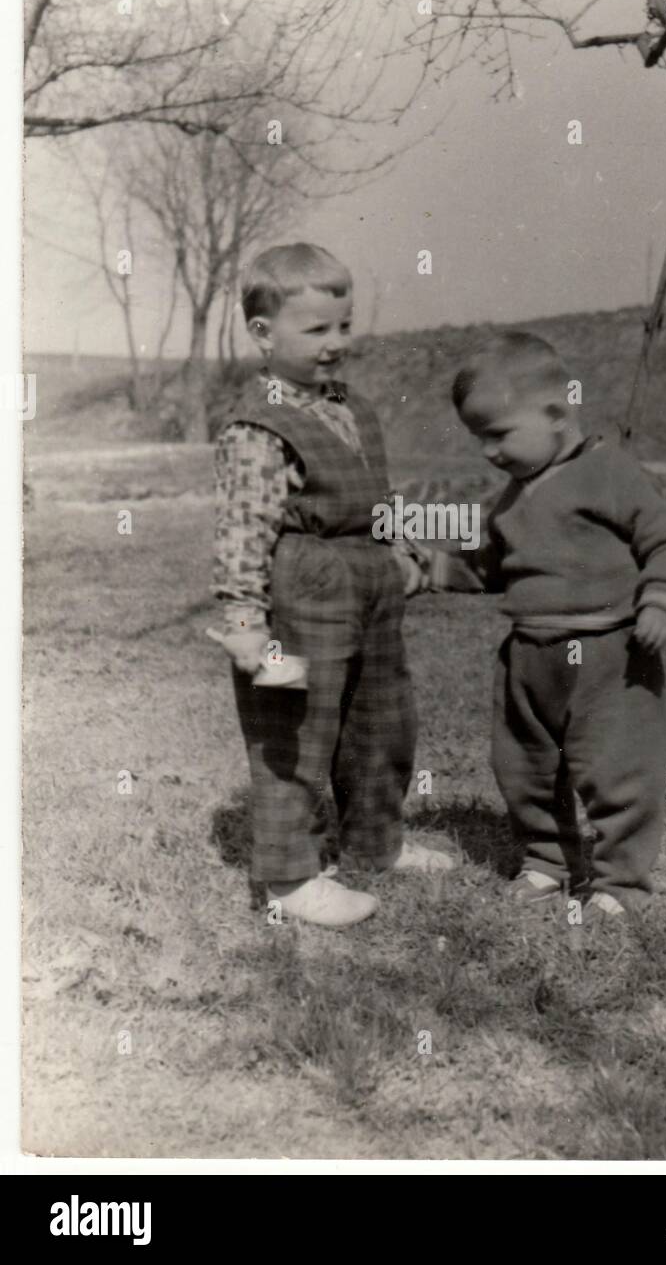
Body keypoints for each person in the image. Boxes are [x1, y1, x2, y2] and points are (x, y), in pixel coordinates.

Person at [211, 243, 454, 928]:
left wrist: (402, 550)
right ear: (263, 334)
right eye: (315, 330)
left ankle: (377, 843)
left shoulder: (351, 407)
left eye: (342, 327)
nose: (335, 344)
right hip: (300, 590)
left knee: (381, 719)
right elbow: (243, 527)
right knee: (294, 729)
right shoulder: (258, 427)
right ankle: (289, 880)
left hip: (368, 585)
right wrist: (243, 619)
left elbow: (377, 494)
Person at [431, 331, 666, 917]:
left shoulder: (610, 473)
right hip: (528, 655)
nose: (487, 452)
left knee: (616, 768)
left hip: (608, 655)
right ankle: (549, 861)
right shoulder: (512, 496)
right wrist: (430, 567)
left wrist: (661, 601)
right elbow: (489, 565)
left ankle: (621, 883)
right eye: (479, 438)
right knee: (524, 767)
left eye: (497, 434)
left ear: (555, 413)